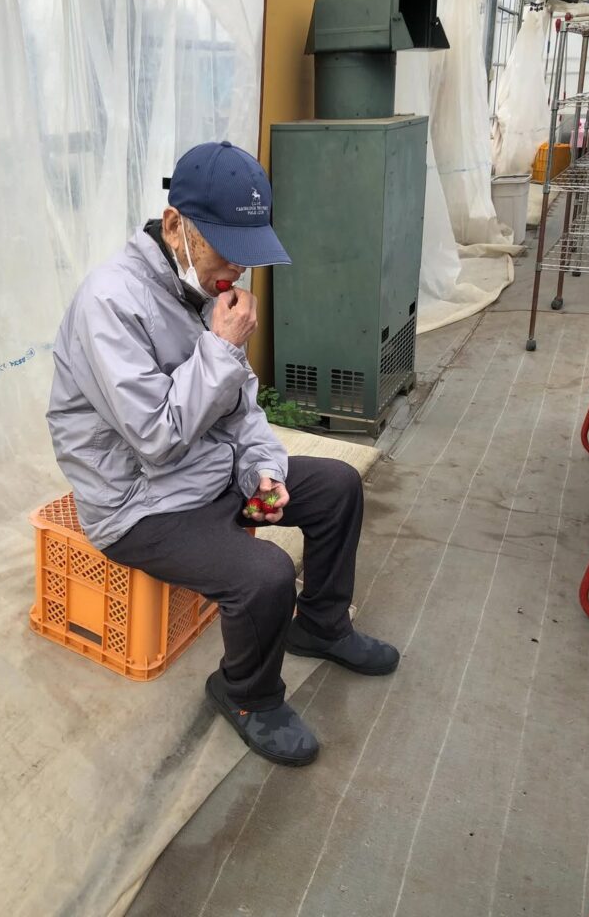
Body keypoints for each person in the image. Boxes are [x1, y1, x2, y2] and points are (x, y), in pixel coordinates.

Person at [46, 141, 399, 767]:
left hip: (206, 476)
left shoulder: (206, 289)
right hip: (139, 505)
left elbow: (242, 410)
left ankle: (320, 625)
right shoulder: (109, 303)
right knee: (264, 575)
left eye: (247, 252)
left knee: (338, 487)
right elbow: (156, 438)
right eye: (225, 249)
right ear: (175, 225)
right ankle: (246, 695)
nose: (235, 268)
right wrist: (222, 348)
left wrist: (262, 469)